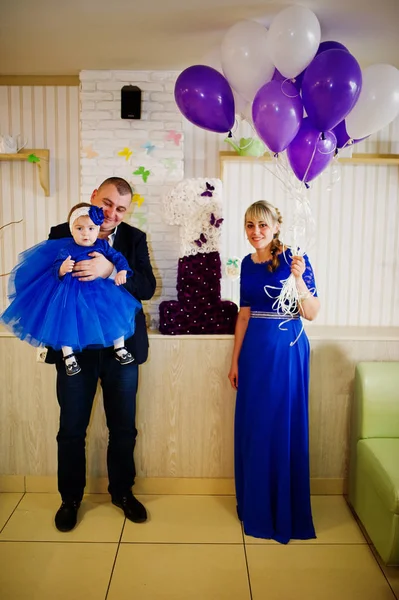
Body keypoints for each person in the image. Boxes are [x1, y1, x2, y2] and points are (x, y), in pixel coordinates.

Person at [45, 177, 156, 532]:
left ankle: (122, 492)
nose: (111, 213)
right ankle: (70, 499)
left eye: (120, 208)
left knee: (123, 427)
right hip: (74, 347)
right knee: (71, 429)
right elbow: (44, 282)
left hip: (120, 350)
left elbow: (148, 287)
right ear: (94, 196)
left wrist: (111, 272)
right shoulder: (62, 231)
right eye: (107, 203)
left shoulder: (134, 239)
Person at [228, 200, 320, 544]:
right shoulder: (247, 266)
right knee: (256, 428)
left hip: (287, 351)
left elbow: (311, 312)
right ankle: (256, 504)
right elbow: (244, 315)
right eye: (250, 225)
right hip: (254, 353)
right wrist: (235, 360)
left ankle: (284, 510)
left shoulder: (294, 259)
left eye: (263, 225)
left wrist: (298, 279)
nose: (256, 232)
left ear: (276, 226)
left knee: (281, 426)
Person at [1, 202, 142, 376]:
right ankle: (69, 356)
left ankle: (119, 347)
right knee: (66, 320)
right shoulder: (67, 248)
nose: (85, 233)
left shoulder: (103, 246)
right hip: (72, 292)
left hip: (102, 292)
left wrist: (120, 271)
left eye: (91, 228)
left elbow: (118, 258)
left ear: (98, 229)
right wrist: (62, 268)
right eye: (79, 228)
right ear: (71, 229)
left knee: (114, 315)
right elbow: (56, 267)